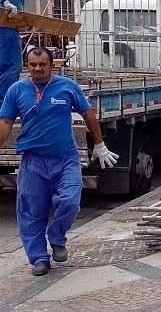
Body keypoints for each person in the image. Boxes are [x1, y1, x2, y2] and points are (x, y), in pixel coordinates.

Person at [0, 47, 119, 277]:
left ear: (52, 65)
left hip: (65, 158)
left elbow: (87, 114)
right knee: (31, 212)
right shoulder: (17, 90)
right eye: (33, 64)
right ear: (28, 66)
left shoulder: (67, 86)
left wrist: (99, 145)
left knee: (70, 201)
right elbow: (5, 122)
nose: (37, 69)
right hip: (33, 161)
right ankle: (39, 259)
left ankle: (57, 238)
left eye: (42, 64)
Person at [0, 0, 34, 108]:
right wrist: (5, 1)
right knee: (13, 65)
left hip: (9, 26)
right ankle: (4, 106)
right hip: (5, 26)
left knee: (6, 65)